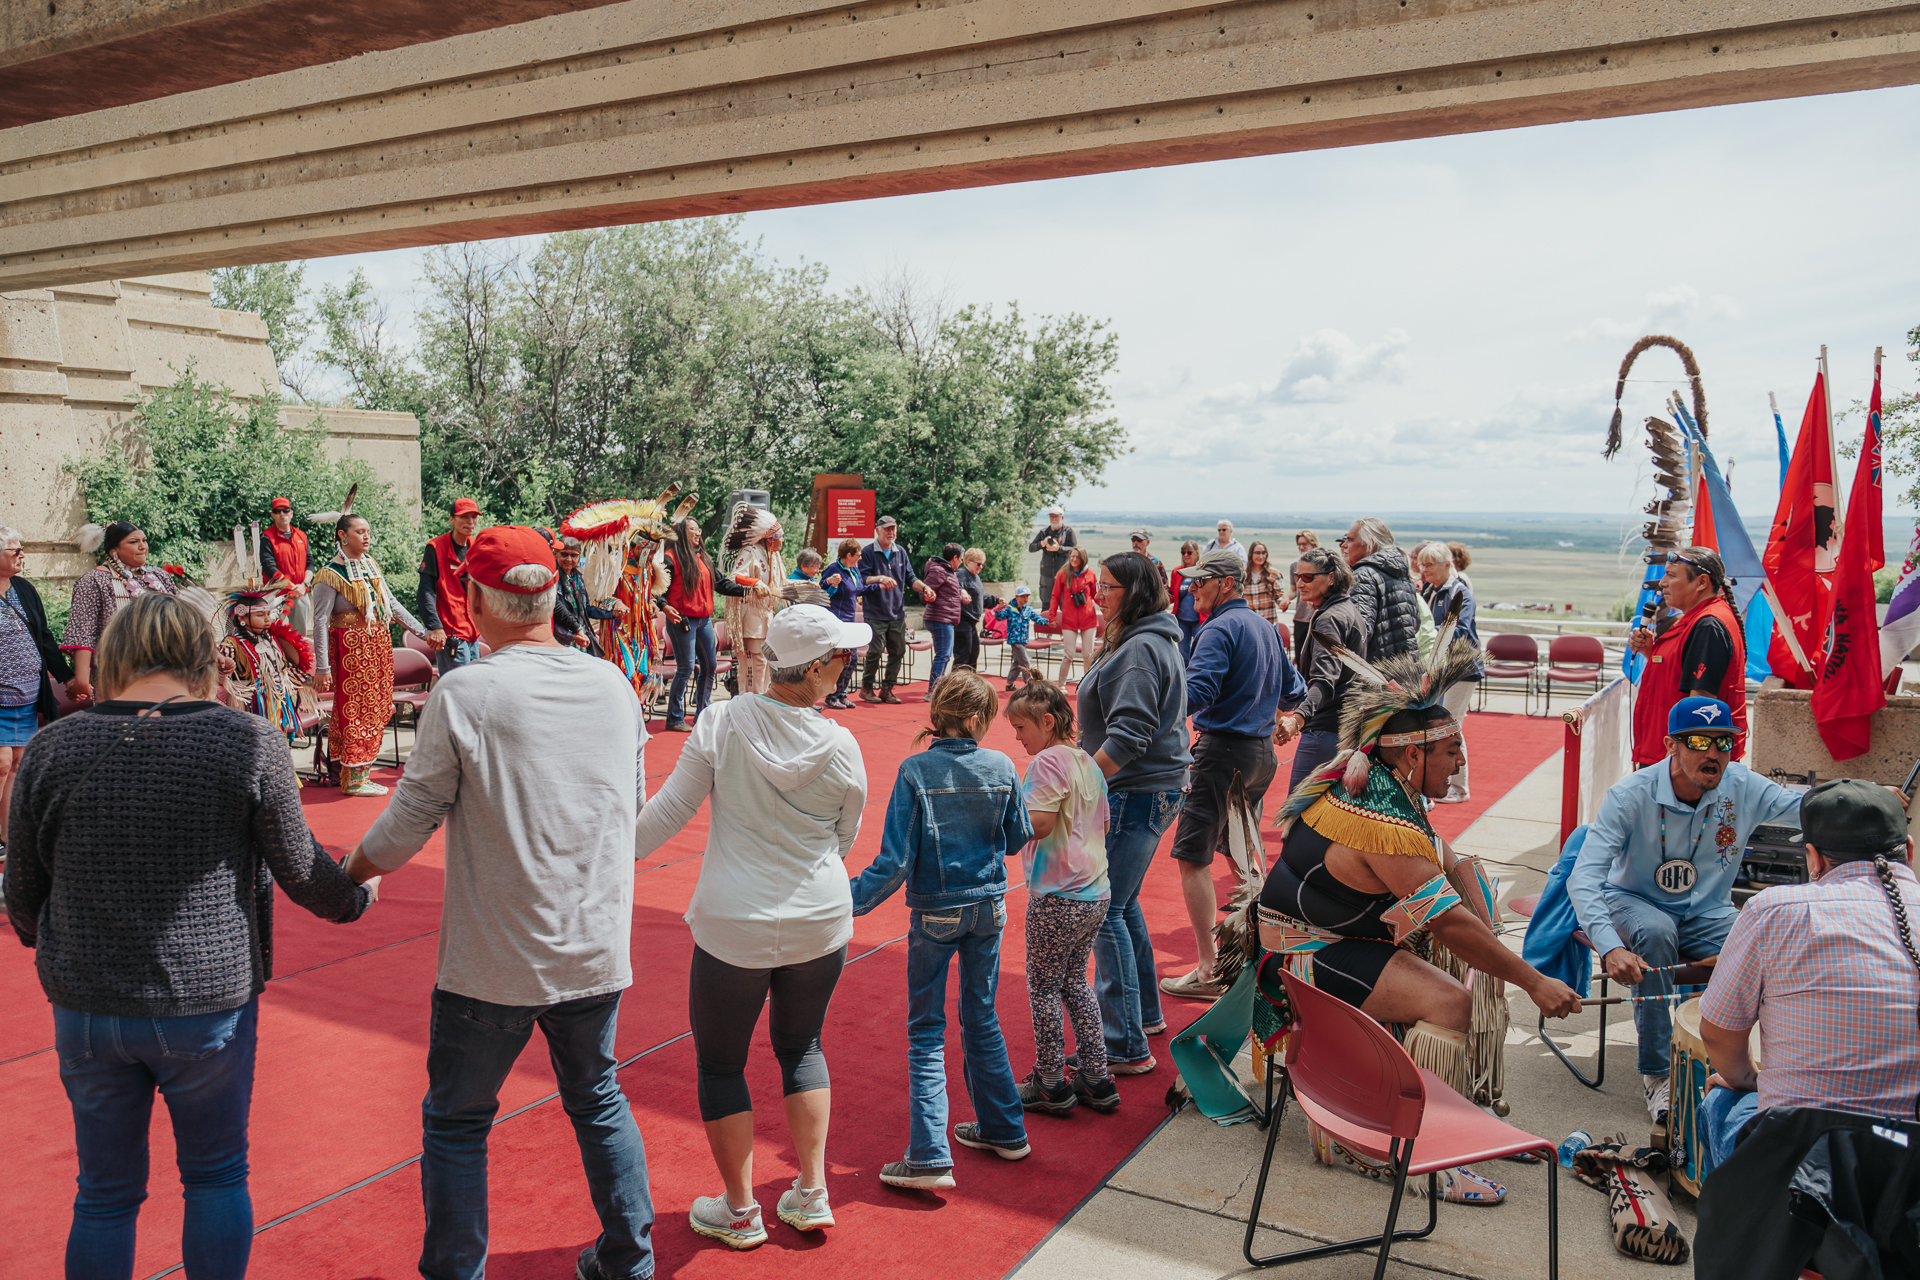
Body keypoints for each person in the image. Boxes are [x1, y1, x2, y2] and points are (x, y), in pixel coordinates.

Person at [8, 592, 374, 1280]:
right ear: (201, 656)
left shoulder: (53, 747)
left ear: (115, 656)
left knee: (103, 1194)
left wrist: (56, 941)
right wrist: (357, 896)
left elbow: (22, 895)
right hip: (206, 1000)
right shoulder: (247, 740)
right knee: (215, 1176)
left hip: (88, 1004)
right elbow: (303, 871)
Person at [342, 526, 655, 1280]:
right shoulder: (612, 684)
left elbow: (409, 820)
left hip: (492, 962)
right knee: (598, 1098)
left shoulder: (468, 691)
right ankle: (629, 1260)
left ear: (476, 601)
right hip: (593, 947)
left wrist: (349, 873)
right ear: (551, 596)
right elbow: (632, 810)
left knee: (457, 1123)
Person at [1259, 679, 1580, 1205]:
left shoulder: (1386, 786)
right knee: (1451, 999)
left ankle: (1460, 1108)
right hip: (1303, 955)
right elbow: (1447, 923)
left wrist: (1484, 920)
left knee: (1474, 954)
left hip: (1341, 936)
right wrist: (1533, 981)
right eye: (1452, 750)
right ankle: (1420, 1155)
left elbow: (1446, 864)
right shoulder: (1381, 816)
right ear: (1413, 754)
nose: (1461, 763)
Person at [633, 604, 870, 1247]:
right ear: (814, 668)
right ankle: (811, 1191)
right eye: (842, 655)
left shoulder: (721, 722)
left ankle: (740, 1211)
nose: (848, 662)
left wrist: (597, 860)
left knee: (720, 1064)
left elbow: (662, 818)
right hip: (818, 916)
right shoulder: (842, 744)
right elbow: (844, 836)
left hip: (733, 919)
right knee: (803, 1047)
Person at [1567, 696, 1812, 1124]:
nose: (1713, 752)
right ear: (1670, 745)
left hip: (1708, 912)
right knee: (1657, 932)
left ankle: (1763, 1068)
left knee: (1769, 944)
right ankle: (1658, 1074)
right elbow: (1584, 876)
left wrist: (1866, 798)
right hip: (1633, 900)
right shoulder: (1631, 794)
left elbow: (1806, 808)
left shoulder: (1743, 785)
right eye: (1699, 741)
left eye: (1724, 742)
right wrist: (1609, 947)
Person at [850, 670, 1032, 1188]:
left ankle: (929, 1154)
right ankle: (1005, 1129)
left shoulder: (915, 770)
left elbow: (894, 861)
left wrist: (845, 902)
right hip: (989, 907)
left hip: (936, 911)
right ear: (976, 719)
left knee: (927, 1030)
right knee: (982, 1017)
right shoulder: (1002, 765)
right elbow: (1018, 835)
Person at [1697, 778, 1920, 1171]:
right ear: (1910, 851)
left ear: (1813, 858)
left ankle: (1739, 1211)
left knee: (1721, 1100)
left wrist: (1749, 1079)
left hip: (1800, 1166)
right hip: (1907, 1168)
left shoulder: (1772, 910)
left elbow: (1718, 1033)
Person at [1159, 550, 1307, 1002]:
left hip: (1223, 753)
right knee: (1243, 857)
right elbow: (1295, 691)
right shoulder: (1265, 627)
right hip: (1260, 755)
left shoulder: (1218, 628)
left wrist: (1151, 711)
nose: (1191, 589)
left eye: (1199, 581)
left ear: (1225, 583)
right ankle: (1260, 958)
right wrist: (1273, 712)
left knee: (1193, 857)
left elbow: (1199, 692)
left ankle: (1209, 971)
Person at [1077, 551, 1190, 1073]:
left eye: (1107, 587)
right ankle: (1142, 1016)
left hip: (1135, 791)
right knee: (1124, 905)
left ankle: (1123, 1044)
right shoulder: (1147, 639)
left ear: (1135, 593)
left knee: (1106, 911)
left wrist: (1077, 785)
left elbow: (1128, 737)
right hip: (1149, 789)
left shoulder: (1141, 647)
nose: (1097, 594)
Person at [1006, 680, 1118, 1114]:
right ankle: (1096, 1075)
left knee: (1044, 988)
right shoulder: (1088, 761)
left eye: (1021, 728)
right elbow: (1103, 824)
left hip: (1058, 894)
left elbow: (1039, 824)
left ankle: (1051, 1080)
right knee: (1074, 981)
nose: (1018, 738)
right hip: (1094, 890)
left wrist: (1000, 828)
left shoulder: (1047, 761)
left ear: (1047, 722)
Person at [311, 502, 432, 797]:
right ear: (342, 536)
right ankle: (354, 778)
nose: (367, 537)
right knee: (355, 709)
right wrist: (322, 667)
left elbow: (392, 605)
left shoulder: (370, 565)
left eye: (368, 531)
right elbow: (320, 621)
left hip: (377, 647)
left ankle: (351, 771)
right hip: (351, 650)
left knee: (377, 707)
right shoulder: (329, 574)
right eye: (359, 532)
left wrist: (423, 633)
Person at [1628, 546, 1747, 767]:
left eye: (1671, 575)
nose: (1662, 583)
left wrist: (1682, 767)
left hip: (1685, 764)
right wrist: (1651, 652)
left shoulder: (1708, 625)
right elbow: (1680, 675)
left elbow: (1701, 705)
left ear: (1701, 582)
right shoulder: (1694, 620)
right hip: (1671, 755)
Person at [0, 529, 73, 854]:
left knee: (18, 763)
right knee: (2, 763)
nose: (22, 555)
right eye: (15, 551)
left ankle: (7, 837)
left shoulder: (24, 588)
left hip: (27, 695)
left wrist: (68, 678)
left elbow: (43, 637)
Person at [1277, 547, 1367, 792]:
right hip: (1346, 727)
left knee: (1299, 809)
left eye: (1307, 577)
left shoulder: (1329, 619)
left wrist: (1297, 720)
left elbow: (1324, 681)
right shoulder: (1348, 610)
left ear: (1331, 577)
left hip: (1325, 729)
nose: (1300, 583)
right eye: (1297, 576)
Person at [61, 521, 179, 706]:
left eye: (144, 540)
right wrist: (82, 679)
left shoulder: (159, 576)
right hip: (118, 676)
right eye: (133, 542)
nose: (143, 546)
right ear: (114, 550)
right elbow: (83, 632)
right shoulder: (93, 581)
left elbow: (183, 621)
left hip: (168, 671)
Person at [657, 515, 749, 732]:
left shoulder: (703, 557)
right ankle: (674, 718)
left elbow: (721, 584)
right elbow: (656, 589)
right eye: (693, 529)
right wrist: (664, 606)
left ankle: (703, 712)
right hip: (682, 620)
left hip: (704, 620)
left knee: (710, 665)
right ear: (681, 532)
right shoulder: (669, 559)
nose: (698, 532)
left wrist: (748, 591)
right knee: (686, 668)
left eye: (699, 529)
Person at [1414, 541, 1481, 803]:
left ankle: (1460, 788)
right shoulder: (1430, 590)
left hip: (1461, 670)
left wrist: (1430, 633)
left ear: (1447, 565)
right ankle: (1438, 782)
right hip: (1438, 669)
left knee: (1452, 726)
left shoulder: (1458, 592)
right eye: (1422, 564)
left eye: (1430, 565)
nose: (1424, 570)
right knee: (1438, 726)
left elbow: (1460, 631)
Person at [217, 581, 312, 740]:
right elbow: (218, 673)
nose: (267, 619)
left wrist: (308, 681)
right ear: (242, 617)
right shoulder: (232, 643)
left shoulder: (271, 639)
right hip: (247, 706)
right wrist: (225, 667)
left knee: (275, 741)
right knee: (251, 744)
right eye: (260, 616)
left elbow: (283, 669)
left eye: (268, 614)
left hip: (276, 703)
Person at [859, 516, 933, 704]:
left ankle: (887, 689)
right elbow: (863, 580)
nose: (891, 532)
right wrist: (880, 578)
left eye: (893, 529)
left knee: (898, 651)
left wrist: (925, 588)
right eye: (887, 529)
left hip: (897, 613)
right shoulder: (867, 552)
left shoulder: (901, 552)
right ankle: (866, 688)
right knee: (875, 651)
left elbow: (910, 578)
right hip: (875, 613)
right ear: (878, 531)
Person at [819, 538, 890, 711]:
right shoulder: (834, 569)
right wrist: (829, 582)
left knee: (852, 659)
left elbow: (859, 590)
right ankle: (831, 696)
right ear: (849, 555)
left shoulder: (855, 570)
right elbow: (821, 589)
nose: (860, 558)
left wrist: (879, 586)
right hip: (837, 620)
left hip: (850, 621)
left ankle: (842, 694)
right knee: (841, 659)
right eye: (858, 555)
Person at [722, 503, 784, 696]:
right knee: (756, 660)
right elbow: (734, 577)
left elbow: (780, 583)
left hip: (766, 616)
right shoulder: (750, 552)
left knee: (765, 660)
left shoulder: (773, 556)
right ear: (770, 538)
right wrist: (754, 582)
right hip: (750, 614)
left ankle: (761, 697)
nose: (783, 540)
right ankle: (750, 699)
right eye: (780, 536)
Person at [1340, 517, 1420, 660]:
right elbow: (1415, 623)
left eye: (1350, 540)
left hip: (1377, 668)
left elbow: (1360, 633)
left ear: (1370, 544)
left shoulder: (1364, 575)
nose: (1345, 545)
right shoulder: (1402, 572)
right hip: (1407, 665)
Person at [420, 498, 484, 676]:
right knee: (460, 686)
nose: (470, 522)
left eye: (473, 517)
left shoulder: (476, 547)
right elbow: (426, 591)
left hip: (473, 632)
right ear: (451, 520)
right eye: (464, 517)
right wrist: (434, 626)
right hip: (451, 634)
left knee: (475, 684)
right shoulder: (436, 547)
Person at [553, 536, 628, 655]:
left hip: (580, 638)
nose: (569, 559)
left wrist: (611, 614)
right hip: (562, 640)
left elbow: (586, 610)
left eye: (573, 555)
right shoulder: (552, 579)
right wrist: (573, 635)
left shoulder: (577, 578)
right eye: (564, 554)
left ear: (579, 556)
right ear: (555, 554)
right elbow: (556, 613)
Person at [262, 497, 315, 634]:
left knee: (300, 636)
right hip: (276, 595)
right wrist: (291, 586)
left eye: (285, 510)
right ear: (272, 515)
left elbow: (310, 563)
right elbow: (269, 567)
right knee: (271, 634)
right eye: (277, 511)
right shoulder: (267, 537)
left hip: (299, 594)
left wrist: (304, 585)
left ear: (291, 513)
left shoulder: (301, 535)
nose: (282, 514)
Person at [1048, 545, 1099, 684]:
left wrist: (1111, 611)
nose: (1074, 559)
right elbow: (1055, 597)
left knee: (1088, 655)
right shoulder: (1063, 574)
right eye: (1072, 556)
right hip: (1069, 620)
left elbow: (1097, 596)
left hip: (1088, 620)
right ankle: (1061, 685)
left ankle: (1087, 685)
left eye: (1077, 557)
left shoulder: (1090, 574)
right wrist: (1052, 616)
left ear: (1083, 558)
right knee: (1068, 655)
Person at [921, 542, 964, 697]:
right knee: (943, 655)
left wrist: (961, 595)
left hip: (946, 618)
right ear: (955, 557)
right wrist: (928, 595)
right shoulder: (939, 571)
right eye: (961, 559)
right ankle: (933, 691)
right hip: (940, 618)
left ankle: (937, 688)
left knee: (945, 655)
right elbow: (924, 593)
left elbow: (948, 594)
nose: (961, 562)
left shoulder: (948, 571)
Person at [994, 586, 1047, 691]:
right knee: (1025, 662)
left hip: (1023, 640)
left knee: (1017, 663)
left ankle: (1009, 684)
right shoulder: (1010, 609)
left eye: (1027, 596)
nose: (1025, 599)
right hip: (1015, 640)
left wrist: (1049, 622)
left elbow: (1038, 619)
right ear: (1016, 597)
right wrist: (999, 609)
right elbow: (1000, 617)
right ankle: (1029, 684)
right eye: (1022, 596)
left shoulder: (1028, 610)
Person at [1280, 530, 1321, 667]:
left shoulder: (1322, 565)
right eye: (1299, 544)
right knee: (1300, 659)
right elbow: (1293, 590)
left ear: (1313, 544)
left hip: (1317, 617)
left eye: (1305, 544)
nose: (1301, 547)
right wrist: (1286, 599)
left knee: (1316, 659)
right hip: (1300, 618)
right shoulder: (1294, 566)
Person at [1029, 506, 1077, 610]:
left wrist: (1059, 548)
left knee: (1065, 605)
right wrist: (1042, 543)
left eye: (1056, 517)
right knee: (1046, 604)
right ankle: (1046, 621)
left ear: (1062, 518)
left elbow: (1074, 551)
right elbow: (1031, 548)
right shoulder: (1044, 532)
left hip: (1064, 573)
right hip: (1047, 574)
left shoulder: (1068, 532)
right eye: (1051, 516)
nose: (1053, 519)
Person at [954, 547, 990, 673]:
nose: (980, 567)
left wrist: (997, 601)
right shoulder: (961, 574)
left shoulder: (976, 577)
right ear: (968, 562)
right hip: (962, 620)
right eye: (978, 564)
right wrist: (962, 591)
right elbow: (955, 587)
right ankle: (956, 683)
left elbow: (983, 597)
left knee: (973, 653)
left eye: (982, 565)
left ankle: (969, 681)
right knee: (963, 655)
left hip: (971, 622)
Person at [1243, 541, 1286, 634]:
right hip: (1249, 625)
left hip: (1269, 624)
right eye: (1257, 553)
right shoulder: (1243, 575)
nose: (1261, 556)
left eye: (1263, 553)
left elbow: (1279, 596)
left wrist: (1283, 603)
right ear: (1251, 554)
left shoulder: (1273, 574)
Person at [1170, 541, 1203, 662]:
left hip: (1198, 620)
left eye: (1189, 552)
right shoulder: (1177, 572)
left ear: (1197, 553)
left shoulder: (1203, 572)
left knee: (1199, 651)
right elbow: (1172, 595)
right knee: (1183, 654)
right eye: (1183, 553)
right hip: (1182, 620)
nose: (1185, 555)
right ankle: (1184, 673)